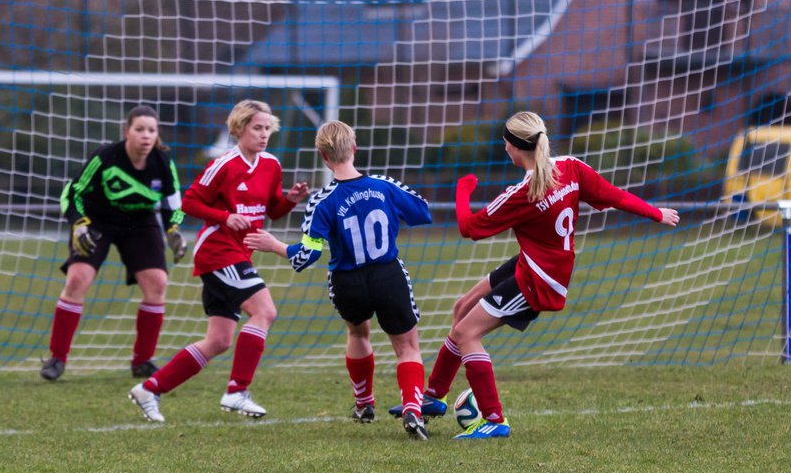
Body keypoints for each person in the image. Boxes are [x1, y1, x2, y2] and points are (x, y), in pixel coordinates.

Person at [390, 110, 680, 439]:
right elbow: (613, 195)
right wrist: (656, 213)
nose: (504, 150)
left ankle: (495, 420)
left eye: (505, 145)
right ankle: (434, 397)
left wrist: (463, 189)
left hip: (538, 280)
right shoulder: (571, 168)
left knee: (467, 334)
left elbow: (469, 228)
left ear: (515, 148)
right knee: (462, 307)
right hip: (534, 262)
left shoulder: (522, 194)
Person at [244, 120, 434, 440]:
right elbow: (422, 212)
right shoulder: (384, 185)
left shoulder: (321, 201)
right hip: (388, 275)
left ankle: (364, 404)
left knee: (358, 332)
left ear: (323, 155)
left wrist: (275, 245)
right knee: (407, 347)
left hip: (347, 282)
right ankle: (413, 409)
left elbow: (308, 255)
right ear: (354, 148)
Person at [129, 99, 309, 423]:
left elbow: (272, 210)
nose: (264, 134)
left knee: (219, 340)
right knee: (265, 311)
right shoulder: (224, 164)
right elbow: (189, 202)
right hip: (217, 251)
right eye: (257, 128)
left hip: (239, 253)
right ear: (239, 129)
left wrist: (290, 200)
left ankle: (150, 389)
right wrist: (226, 217)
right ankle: (237, 391)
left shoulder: (271, 165)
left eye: (268, 128)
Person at [40, 104, 186, 381]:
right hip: (97, 220)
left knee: (157, 283)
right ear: (126, 131)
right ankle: (56, 359)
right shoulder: (105, 157)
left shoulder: (163, 161)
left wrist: (173, 229)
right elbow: (74, 193)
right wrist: (79, 224)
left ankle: (142, 362)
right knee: (77, 279)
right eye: (139, 129)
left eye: (151, 130)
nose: (146, 136)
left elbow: (173, 201)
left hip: (139, 223)